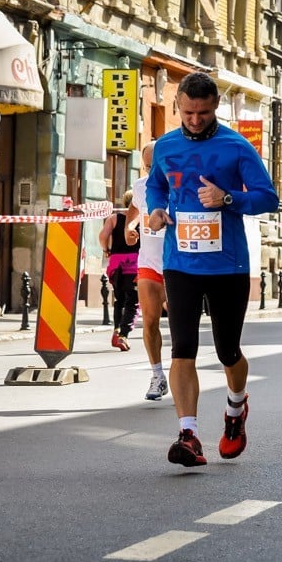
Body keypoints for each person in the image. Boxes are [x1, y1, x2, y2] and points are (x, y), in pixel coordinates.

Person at [145, 72, 280, 468]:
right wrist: (155, 210)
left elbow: (266, 197)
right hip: (180, 260)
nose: (195, 120)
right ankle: (188, 434)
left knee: (227, 350)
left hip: (228, 265)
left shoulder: (236, 147)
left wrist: (228, 198)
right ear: (178, 107)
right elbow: (157, 186)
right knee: (183, 348)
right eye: (188, 112)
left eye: (203, 112)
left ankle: (236, 411)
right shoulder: (166, 146)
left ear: (215, 106)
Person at [124, 141, 168, 401]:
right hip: (149, 261)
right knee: (150, 320)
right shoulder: (140, 187)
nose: (152, 171)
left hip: (178, 262)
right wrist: (130, 227)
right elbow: (134, 210)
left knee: (179, 321)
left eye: (157, 165)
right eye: (148, 165)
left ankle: (182, 370)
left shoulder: (180, 185)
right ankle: (157, 375)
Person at [99, 189, 139, 351]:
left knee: (119, 299)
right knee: (133, 301)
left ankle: (117, 330)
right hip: (135, 263)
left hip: (116, 264)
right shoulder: (141, 218)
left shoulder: (114, 218)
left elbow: (102, 236)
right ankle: (123, 335)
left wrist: (106, 249)